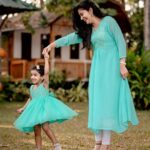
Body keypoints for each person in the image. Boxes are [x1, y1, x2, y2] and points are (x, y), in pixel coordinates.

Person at [43, 0, 139, 150]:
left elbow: (121, 41)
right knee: (97, 104)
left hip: (112, 70)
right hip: (97, 71)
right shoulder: (88, 30)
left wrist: (122, 64)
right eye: (80, 16)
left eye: (82, 14)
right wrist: (51, 46)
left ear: (90, 10)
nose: (82, 18)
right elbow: (70, 38)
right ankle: (98, 143)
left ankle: (105, 145)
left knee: (107, 105)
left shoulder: (108, 22)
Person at [14, 51, 78, 150]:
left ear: (42, 77)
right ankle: (38, 148)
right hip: (34, 111)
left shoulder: (44, 84)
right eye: (32, 75)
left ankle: (56, 145)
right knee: (36, 130)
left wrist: (46, 59)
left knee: (45, 127)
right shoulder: (31, 87)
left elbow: (47, 72)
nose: (33, 77)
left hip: (44, 109)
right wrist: (23, 108)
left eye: (35, 75)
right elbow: (30, 99)